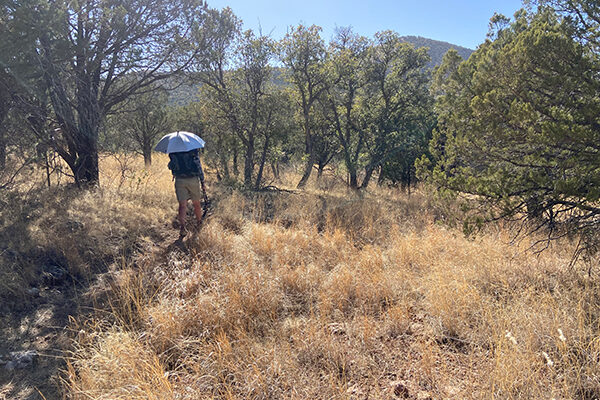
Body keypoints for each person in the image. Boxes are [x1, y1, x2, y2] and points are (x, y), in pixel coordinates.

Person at [167, 148, 207, 237]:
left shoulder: (173, 151)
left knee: (182, 205)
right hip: (193, 180)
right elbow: (198, 166)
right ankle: (199, 223)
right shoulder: (193, 149)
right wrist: (202, 182)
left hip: (179, 180)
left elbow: (171, 166)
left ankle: (182, 228)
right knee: (196, 203)